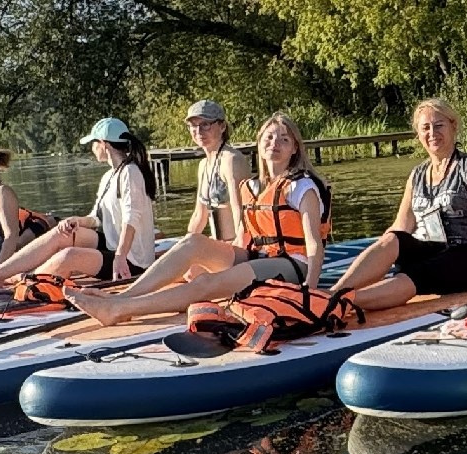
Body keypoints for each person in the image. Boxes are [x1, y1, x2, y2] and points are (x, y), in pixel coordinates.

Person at [70, 113, 330, 324]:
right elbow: (244, 240)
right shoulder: (251, 186)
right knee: (192, 242)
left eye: (284, 140)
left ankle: (121, 309)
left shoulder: (302, 187)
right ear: (259, 143)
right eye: (270, 137)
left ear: (295, 148)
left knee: (206, 283)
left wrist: (310, 290)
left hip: (293, 265)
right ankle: (123, 297)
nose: (275, 143)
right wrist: (212, 260)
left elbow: (314, 246)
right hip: (259, 256)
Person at [324, 98, 467, 310]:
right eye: (425, 128)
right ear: (418, 135)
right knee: (393, 239)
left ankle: (342, 303)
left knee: (419, 273)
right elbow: (400, 227)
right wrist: (379, 263)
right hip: (432, 250)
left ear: (453, 126)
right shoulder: (417, 175)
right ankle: (332, 294)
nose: (432, 133)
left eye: (439, 125)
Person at [0, 118, 158, 297]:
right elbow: (97, 219)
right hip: (114, 245)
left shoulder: (130, 172)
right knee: (60, 233)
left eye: (92, 144)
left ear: (103, 144)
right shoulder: (109, 176)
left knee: (69, 255)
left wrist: (120, 257)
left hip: (131, 261)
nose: (91, 149)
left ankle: (22, 282)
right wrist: (76, 221)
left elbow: (132, 217)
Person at [181, 100, 251, 243]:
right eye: (193, 125)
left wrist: (240, 250)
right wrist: (183, 244)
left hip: (236, 245)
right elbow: (199, 216)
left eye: (205, 124)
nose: (199, 131)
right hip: (219, 244)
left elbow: (242, 212)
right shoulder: (203, 165)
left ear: (222, 126)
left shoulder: (232, 160)